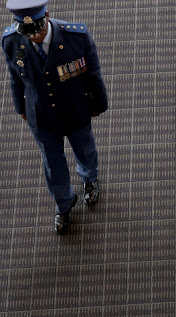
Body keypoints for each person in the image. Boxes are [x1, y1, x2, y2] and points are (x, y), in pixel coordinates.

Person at [2, 0, 107, 234]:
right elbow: (15, 77)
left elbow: (93, 73)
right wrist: (20, 107)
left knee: (85, 150)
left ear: (47, 16)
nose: (34, 37)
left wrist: (99, 103)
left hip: (75, 110)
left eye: (37, 30)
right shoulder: (11, 41)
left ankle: (89, 179)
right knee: (52, 165)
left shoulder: (75, 37)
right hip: (41, 117)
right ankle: (64, 204)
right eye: (28, 32)